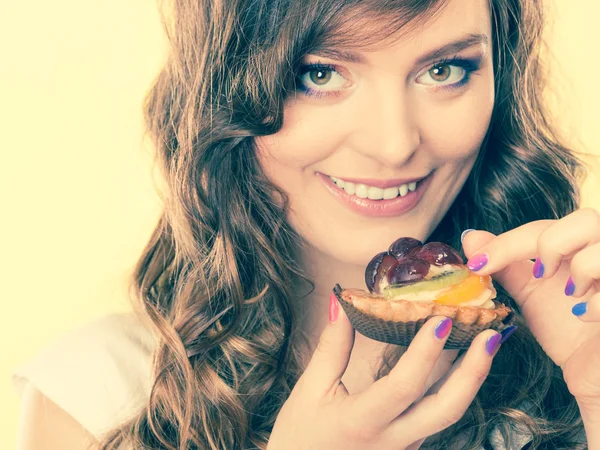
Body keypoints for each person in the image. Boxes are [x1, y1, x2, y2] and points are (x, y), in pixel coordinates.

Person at [12, 0, 600, 448]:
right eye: (319, 74)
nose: (394, 144)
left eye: (444, 70)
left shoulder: (572, 347)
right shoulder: (103, 395)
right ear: (223, 88)